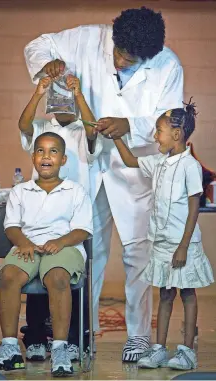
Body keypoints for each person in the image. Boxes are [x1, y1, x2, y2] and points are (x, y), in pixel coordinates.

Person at [24, 7, 184, 361]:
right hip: (87, 163)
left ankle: (138, 336)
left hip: (134, 171)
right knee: (84, 250)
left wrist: (131, 124)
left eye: (130, 61)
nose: (120, 63)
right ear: (112, 38)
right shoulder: (86, 37)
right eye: (118, 54)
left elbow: (173, 119)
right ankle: (81, 333)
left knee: (138, 254)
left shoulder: (168, 65)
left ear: (149, 55)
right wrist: (47, 65)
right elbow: (39, 45)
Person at [113, 100, 214, 370]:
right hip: (160, 243)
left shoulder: (189, 166)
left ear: (177, 134)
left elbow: (195, 206)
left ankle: (186, 351)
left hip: (183, 245)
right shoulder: (158, 162)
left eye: (159, 130)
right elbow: (130, 160)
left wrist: (183, 246)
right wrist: (117, 138)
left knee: (187, 293)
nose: (155, 136)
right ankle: (158, 349)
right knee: (165, 294)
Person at [0, 132, 93, 377]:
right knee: (9, 276)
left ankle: (59, 349)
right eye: (41, 151)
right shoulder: (20, 191)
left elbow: (82, 230)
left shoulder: (75, 191)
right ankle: (10, 348)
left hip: (64, 247)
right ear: (34, 157)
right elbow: (11, 226)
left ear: (64, 159)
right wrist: (23, 243)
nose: (47, 156)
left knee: (57, 277)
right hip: (28, 246)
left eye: (53, 151)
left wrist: (60, 242)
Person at [18, 75, 99, 361]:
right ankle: (37, 336)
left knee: (70, 277)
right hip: (41, 215)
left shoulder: (82, 127)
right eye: (58, 94)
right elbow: (24, 125)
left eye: (68, 94)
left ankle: (76, 340)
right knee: (37, 272)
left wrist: (79, 95)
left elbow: (92, 131)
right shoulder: (43, 127)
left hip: (74, 216)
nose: (62, 99)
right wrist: (38, 92)